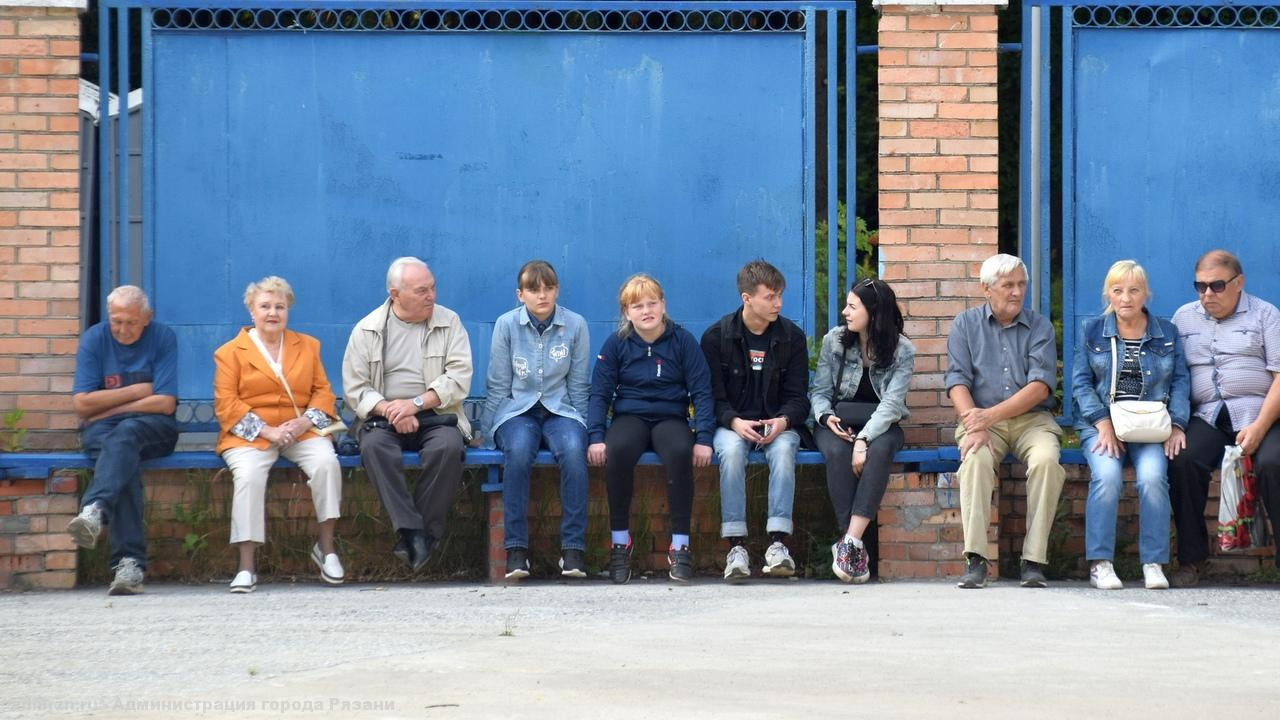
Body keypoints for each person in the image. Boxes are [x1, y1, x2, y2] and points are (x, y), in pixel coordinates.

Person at [213, 276, 345, 593]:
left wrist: (303, 423)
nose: (272, 313)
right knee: (248, 475)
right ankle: (246, 566)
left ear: (288, 310)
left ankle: (326, 549)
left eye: (279, 307)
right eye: (265, 306)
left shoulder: (308, 346)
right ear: (252, 311)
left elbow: (323, 393)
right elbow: (226, 404)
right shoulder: (229, 353)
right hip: (253, 435)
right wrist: (267, 431)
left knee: (327, 464)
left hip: (301, 431)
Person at [342, 257, 472, 573]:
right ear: (395, 294)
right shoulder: (367, 329)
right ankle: (415, 533)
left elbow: (458, 378)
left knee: (448, 448)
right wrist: (391, 409)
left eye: (433, 288)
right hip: (383, 416)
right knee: (375, 448)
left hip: (437, 413)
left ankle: (416, 536)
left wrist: (414, 404)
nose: (431, 296)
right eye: (421, 291)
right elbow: (355, 389)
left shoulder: (449, 322)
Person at [945, 253, 1065, 589]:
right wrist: (975, 424)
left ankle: (1033, 560)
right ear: (986, 289)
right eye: (1008, 285)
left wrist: (988, 416)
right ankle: (976, 560)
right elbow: (957, 381)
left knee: (1046, 461)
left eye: (1021, 284)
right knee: (975, 460)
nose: (1017, 292)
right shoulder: (965, 325)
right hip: (983, 423)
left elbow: (1040, 387)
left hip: (1032, 420)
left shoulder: (1039, 326)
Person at [588, 273, 715, 584]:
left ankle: (680, 546)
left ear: (663, 305)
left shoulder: (683, 341)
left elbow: (702, 391)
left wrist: (704, 438)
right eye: (637, 306)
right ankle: (620, 543)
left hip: (670, 418)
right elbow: (600, 393)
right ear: (626, 312)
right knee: (617, 450)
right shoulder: (617, 344)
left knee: (680, 451)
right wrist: (596, 437)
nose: (646, 311)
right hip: (630, 417)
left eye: (652, 303)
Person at [1071, 260, 1188, 591]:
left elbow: (1181, 381)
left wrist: (1177, 424)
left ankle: (1153, 563)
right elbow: (1080, 383)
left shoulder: (1167, 332)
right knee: (1107, 477)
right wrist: (1101, 422)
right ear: (1108, 293)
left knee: (1152, 478)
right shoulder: (1092, 330)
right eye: (1118, 290)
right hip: (1102, 424)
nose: (1126, 298)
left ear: (1146, 293)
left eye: (1134, 290)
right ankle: (1101, 563)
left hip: (1149, 426)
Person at [1169, 249, 1280, 586]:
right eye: (1200, 286)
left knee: (1273, 464)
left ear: (1238, 282)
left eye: (1217, 286)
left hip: (1261, 413)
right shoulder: (1183, 318)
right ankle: (1192, 561)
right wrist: (1174, 423)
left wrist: (1260, 427)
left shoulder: (1265, 315)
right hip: (1208, 415)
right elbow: (1173, 375)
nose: (1207, 294)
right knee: (1183, 460)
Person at [699, 260, 810, 582]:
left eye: (780, 296)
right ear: (747, 298)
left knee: (784, 451)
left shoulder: (792, 337)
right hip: (732, 425)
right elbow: (711, 398)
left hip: (778, 425)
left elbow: (798, 398)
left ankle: (778, 544)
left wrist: (783, 421)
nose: (779, 303)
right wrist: (734, 422)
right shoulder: (717, 337)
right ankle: (736, 547)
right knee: (732, 452)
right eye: (770, 297)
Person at [65, 285, 179, 595]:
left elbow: (165, 403)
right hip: (103, 432)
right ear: (108, 315)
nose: (123, 329)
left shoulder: (163, 337)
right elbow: (81, 405)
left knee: (124, 436)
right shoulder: (95, 339)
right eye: (117, 321)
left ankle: (95, 509)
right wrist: (139, 391)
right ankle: (129, 567)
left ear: (147, 318)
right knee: (122, 459)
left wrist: (108, 407)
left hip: (153, 427)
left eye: (131, 322)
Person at [482, 260, 590, 580]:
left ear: (557, 290)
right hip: (518, 412)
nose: (542, 295)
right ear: (520, 294)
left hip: (561, 410)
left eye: (549, 288)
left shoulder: (576, 325)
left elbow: (579, 385)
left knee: (574, 451)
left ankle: (573, 550)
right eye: (533, 289)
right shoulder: (506, 325)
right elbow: (498, 384)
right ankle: (516, 551)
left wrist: (585, 427)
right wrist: (486, 433)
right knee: (517, 452)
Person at [811, 278, 914, 583]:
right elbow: (820, 392)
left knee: (880, 451)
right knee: (836, 451)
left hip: (882, 425)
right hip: (838, 422)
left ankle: (850, 542)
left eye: (852, 307)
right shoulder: (834, 341)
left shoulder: (902, 350)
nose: (845, 312)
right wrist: (826, 417)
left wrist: (864, 439)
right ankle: (854, 547)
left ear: (873, 312)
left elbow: (892, 404)